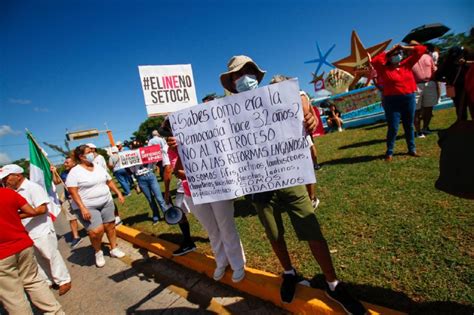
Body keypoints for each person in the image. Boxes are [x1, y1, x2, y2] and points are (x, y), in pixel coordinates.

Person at [219, 55, 366, 314]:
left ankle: (332, 283)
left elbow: (298, 96)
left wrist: (307, 109)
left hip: (289, 175)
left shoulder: (275, 95)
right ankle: (289, 272)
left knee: (310, 226)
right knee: (274, 233)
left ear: (257, 75)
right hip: (258, 184)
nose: (244, 77)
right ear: (231, 82)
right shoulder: (224, 112)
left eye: (249, 71)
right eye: (238, 74)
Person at [0, 164, 72, 296]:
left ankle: (63, 280)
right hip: (26, 232)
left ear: (18, 175)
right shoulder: (11, 192)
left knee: (50, 255)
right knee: (38, 259)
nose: (4, 181)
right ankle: (48, 280)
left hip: (41, 229)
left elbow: (42, 209)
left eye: (7, 178)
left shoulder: (33, 188)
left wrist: (16, 215)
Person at [0, 187, 65, 315]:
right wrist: (13, 214)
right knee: (34, 282)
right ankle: (56, 312)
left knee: (13, 296)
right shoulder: (8, 192)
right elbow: (30, 210)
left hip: (3, 255)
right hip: (22, 245)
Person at [66, 145, 126, 267]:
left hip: (106, 202)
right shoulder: (75, 172)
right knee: (96, 231)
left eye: (92, 151)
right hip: (88, 206)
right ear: (81, 157)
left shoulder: (98, 167)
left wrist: (118, 193)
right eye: (89, 152)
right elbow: (73, 191)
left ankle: (114, 249)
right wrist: (82, 208)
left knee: (110, 226)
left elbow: (108, 181)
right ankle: (98, 251)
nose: (92, 153)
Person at [371, 43, 426, 161]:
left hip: (408, 98)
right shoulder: (384, 69)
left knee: (409, 125)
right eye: (395, 55)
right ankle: (389, 152)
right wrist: (390, 50)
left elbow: (421, 49)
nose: (398, 55)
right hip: (392, 101)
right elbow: (375, 61)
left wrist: (404, 48)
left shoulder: (406, 64)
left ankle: (412, 149)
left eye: (399, 54)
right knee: (393, 127)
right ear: (389, 58)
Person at [51, 157, 82, 248]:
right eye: (65, 162)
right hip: (69, 199)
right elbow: (56, 182)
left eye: (67, 162)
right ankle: (76, 237)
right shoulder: (64, 173)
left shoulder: (79, 171)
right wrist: (54, 172)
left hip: (80, 197)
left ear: (74, 163)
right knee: (71, 218)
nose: (65, 164)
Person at [411, 41, 439, 138]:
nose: (414, 48)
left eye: (416, 46)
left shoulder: (428, 57)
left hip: (430, 83)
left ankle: (425, 128)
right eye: (412, 47)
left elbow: (434, 70)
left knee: (429, 108)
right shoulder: (408, 60)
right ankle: (418, 131)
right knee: (416, 110)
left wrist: (436, 84)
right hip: (415, 85)